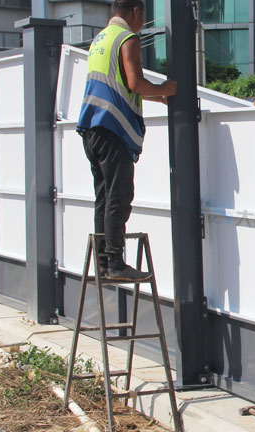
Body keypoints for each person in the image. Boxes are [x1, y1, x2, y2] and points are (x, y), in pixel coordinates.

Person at [77, 0, 177, 280]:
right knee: (119, 197)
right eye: (143, 16)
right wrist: (164, 88)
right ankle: (116, 263)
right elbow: (135, 82)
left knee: (103, 197)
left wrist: (157, 97)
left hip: (92, 128)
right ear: (135, 12)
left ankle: (103, 262)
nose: (142, 23)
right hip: (112, 128)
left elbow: (120, 86)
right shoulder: (127, 38)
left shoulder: (100, 39)